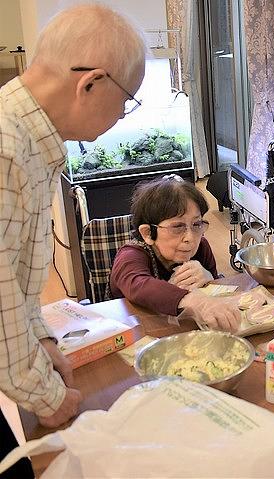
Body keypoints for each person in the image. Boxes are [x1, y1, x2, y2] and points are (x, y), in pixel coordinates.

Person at [0, 5, 146, 476]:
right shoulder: (6, 147)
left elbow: (13, 277)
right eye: (126, 101)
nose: (122, 117)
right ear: (91, 83)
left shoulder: (31, 140)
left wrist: (41, 337)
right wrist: (46, 395)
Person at [109, 176, 242, 332]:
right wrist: (196, 301)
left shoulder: (201, 248)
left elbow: (214, 298)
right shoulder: (130, 255)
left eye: (196, 224)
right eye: (178, 227)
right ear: (147, 233)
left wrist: (209, 279)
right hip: (135, 335)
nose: (190, 238)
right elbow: (138, 284)